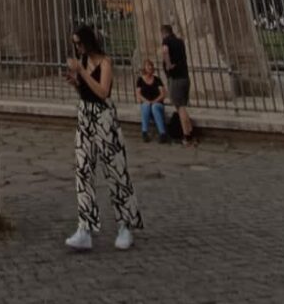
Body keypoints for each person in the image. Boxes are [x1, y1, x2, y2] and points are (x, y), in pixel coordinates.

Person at [63, 24, 143, 252]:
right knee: (83, 171)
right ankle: (84, 228)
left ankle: (125, 225)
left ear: (89, 41)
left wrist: (82, 72)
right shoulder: (84, 63)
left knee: (116, 171)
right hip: (85, 118)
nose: (77, 47)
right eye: (74, 44)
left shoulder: (105, 62)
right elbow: (88, 92)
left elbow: (103, 92)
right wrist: (77, 83)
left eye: (79, 43)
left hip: (105, 120)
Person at [161, 24, 196, 145]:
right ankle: (190, 132)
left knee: (180, 107)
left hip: (176, 78)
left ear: (164, 33)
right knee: (182, 106)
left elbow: (165, 51)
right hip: (185, 77)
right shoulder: (180, 41)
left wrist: (168, 65)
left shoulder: (166, 40)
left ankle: (187, 136)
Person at [135, 59, 168, 143]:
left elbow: (162, 94)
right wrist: (146, 101)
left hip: (157, 103)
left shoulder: (157, 79)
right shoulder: (140, 80)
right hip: (145, 103)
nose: (149, 67)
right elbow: (138, 94)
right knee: (146, 106)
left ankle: (162, 133)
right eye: (147, 66)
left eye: (151, 65)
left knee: (154, 107)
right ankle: (144, 132)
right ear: (144, 68)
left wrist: (154, 101)